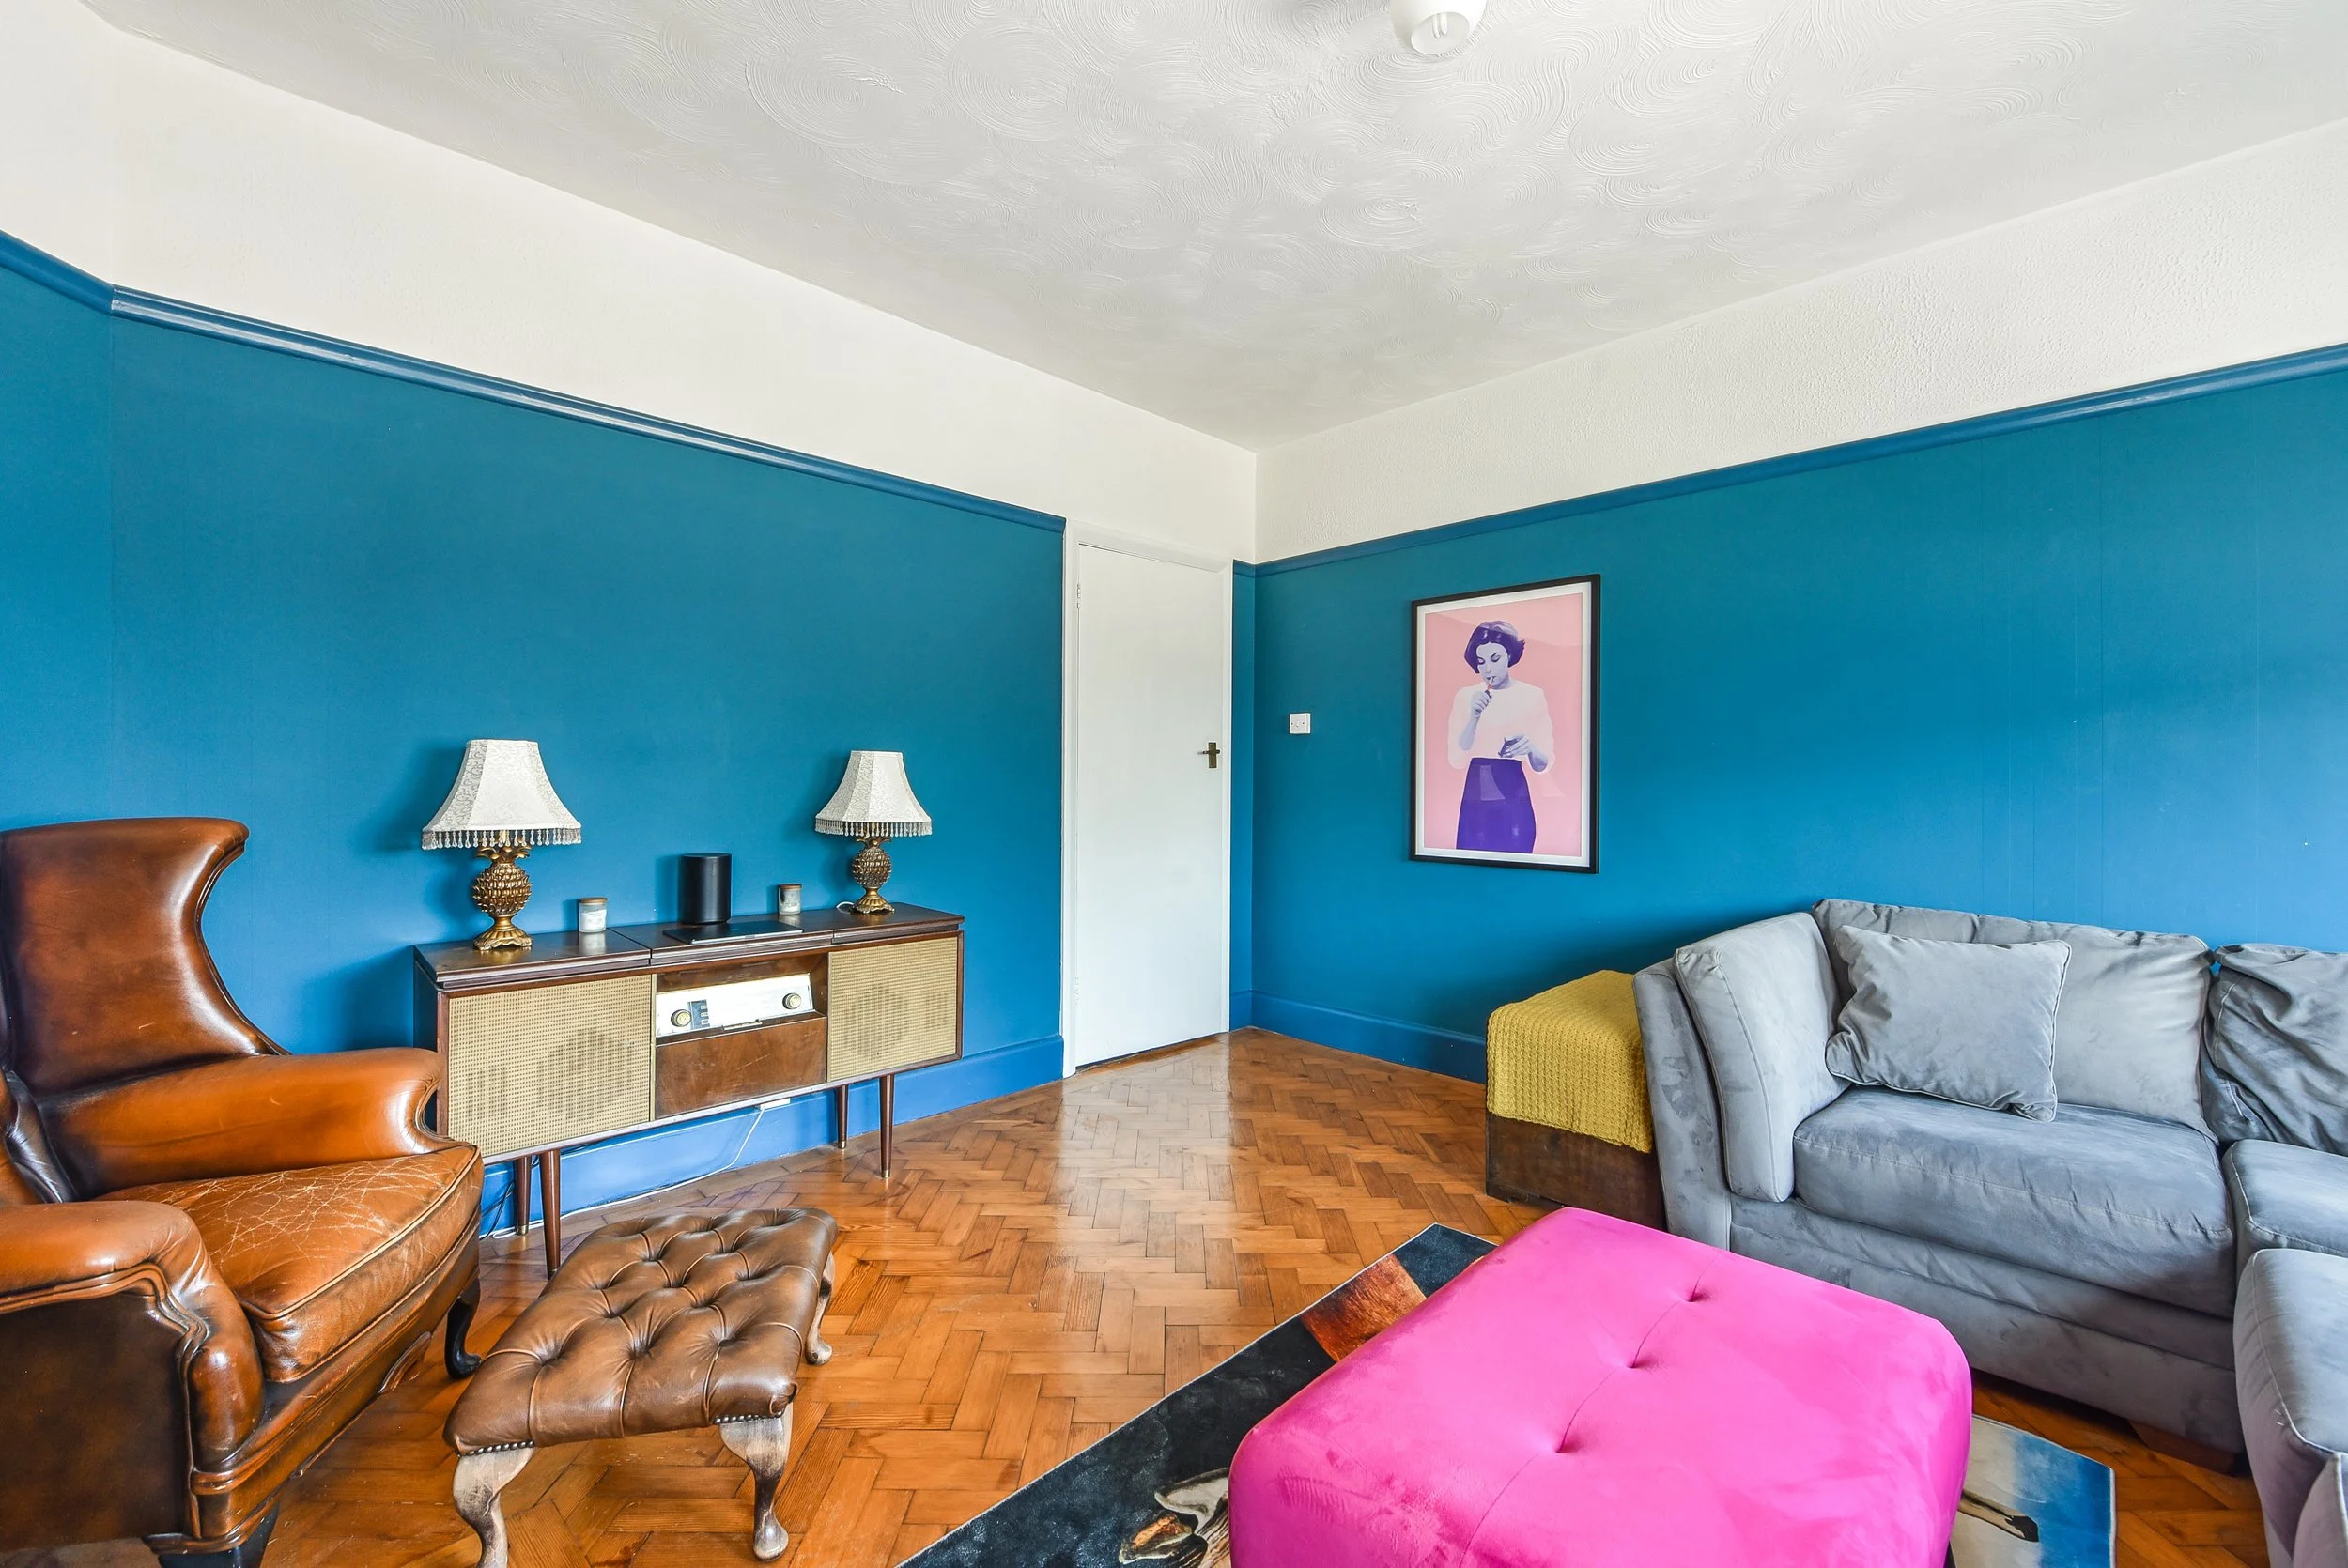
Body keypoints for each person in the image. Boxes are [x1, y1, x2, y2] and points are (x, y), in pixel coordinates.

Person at [1445, 620, 1552, 853]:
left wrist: (1530, 746)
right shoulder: (1466, 696)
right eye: (1481, 662)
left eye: (1495, 659)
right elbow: (1457, 758)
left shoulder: (1532, 695)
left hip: (1515, 792)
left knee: (1517, 857)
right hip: (1476, 791)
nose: (1488, 669)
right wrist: (1473, 717)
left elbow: (1544, 764)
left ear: (1510, 656)